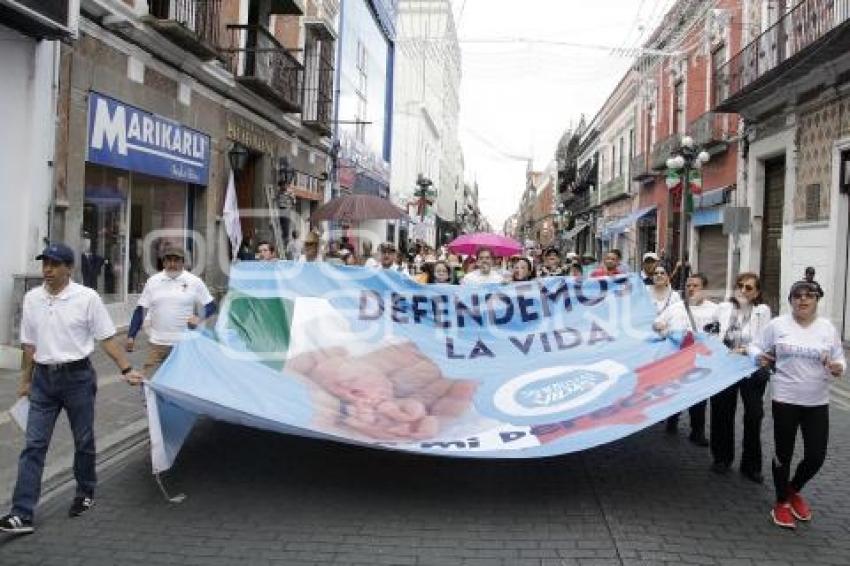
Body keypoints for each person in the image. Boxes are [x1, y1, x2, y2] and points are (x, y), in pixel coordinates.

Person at [0, 243, 143, 535]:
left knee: (83, 440)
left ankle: (85, 491)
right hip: (43, 381)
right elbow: (29, 344)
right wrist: (25, 381)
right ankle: (21, 513)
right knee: (33, 446)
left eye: (54, 265)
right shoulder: (32, 298)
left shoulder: (87, 298)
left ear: (69, 269)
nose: (47, 270)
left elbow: (106, 338)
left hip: (77, 378)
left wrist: (126, 369)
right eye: (45, 264)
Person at [751, 280, 845, 529]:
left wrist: (839, 368)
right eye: (797, 296)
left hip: (817, 400)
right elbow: (755, 346)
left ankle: (793, 490)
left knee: (816, 456)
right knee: (784, 453)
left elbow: (839, 358)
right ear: (790, 299)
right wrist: (757, 357)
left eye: (809, 296)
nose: (803, 300)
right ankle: (781, 502)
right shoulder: (778, 325)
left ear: (816, 300)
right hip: (785, 398)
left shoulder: (827, 328)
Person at [710, 272, 772, 482]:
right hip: (726, 366)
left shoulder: (762, 311)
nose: (743, 291)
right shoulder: (723, 308)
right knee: (722, 413)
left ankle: (751, 465)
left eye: (749, 288)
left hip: (751, 368)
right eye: (740, 286)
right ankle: (721, 458)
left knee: (754, 415)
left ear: (757, 293)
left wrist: (746, 351)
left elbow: (764, 341)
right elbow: (711, 330)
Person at [126, 247, 216, 376]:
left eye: (176, 260)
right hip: (157, 344)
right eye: (168, 260)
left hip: (183, 345)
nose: (172, 264)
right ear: (163, 262)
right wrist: (131, 335)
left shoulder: (194, 281)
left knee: (181, 382)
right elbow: (141, 310)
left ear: (183, 262)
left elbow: (211, 306)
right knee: (149, 382)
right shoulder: (153, 281)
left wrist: (199, 317)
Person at [655, 273, 719, 445]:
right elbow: (657, 323)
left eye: (695, 286)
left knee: (698, 394)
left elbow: (720, 332)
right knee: (675, 390)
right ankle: (672, 418)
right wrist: (660, 326)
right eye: (688, 285)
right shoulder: (676, 307)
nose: (691, 288)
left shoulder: (714, 310)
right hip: (676, 357)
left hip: (700, 359)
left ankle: (697, 431)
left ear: (704, 289)